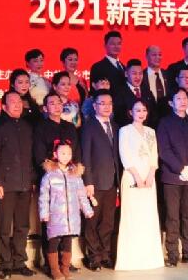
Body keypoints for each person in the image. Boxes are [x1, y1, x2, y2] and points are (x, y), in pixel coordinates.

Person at [0, 91, 36, 278]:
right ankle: (5, 263)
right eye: (12, 102)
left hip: (25, 184)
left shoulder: (27, 126)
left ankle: (19, 261)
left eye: (19, 101)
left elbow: (31, 157)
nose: (17, 104)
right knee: (4, 226)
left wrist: (32, 180)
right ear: (4, 106)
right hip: (5, 185)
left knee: (22, 226)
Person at [157, 88, 188, 267]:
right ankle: (172, 253)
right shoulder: (164, 123)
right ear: (171, 102)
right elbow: (164, 150)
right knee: (172, 216)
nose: (183, 101)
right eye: (178, 98)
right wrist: (180, 169)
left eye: (185, 98)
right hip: (172, 176)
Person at [33, 91, 81, 274]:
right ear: (45, 108)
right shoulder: (41, 127)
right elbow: (39, 154)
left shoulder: (69, 127)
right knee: (52, 224)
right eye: (52, 103)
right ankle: (50, 264)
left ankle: (65, 264)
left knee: (68, 222)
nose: (56, 106)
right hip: (52, 178)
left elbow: (76, 151)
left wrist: (73, 169)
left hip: (69, 177)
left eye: (59, 102)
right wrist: (53, 170)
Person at [115, 99, 164, 271]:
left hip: (149, 178)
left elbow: (154, 155)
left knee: (148, 216)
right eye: (137, 110)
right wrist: (137, 177)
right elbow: (125, 155)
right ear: (131, 112)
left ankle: (150, 259)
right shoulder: (125, 130)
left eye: (144, 110)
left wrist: (151, 175)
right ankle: (131, 260)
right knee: (132, 216)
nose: (141, 113)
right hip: (131, 176)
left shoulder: (151, 131)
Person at [39, 142, 94, 280]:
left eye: (69, 153)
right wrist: (44, 213)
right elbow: (44, 196)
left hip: (71, 216)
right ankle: (54, 270)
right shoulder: (49, 175)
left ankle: (65, 268)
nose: (66, 156)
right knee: (53, 241)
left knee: (67, 242)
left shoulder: (75, 174)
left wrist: (87, 209)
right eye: (63, 153)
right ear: (55, 154)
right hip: (55, 215)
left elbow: (81, 194)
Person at [81, 90, 121, 271]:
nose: (106, 106)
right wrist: (88, 181)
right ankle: (93, 257)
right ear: (95, 106)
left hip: (112, 181)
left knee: (108, 222)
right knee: (92, 221)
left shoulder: (116, 126)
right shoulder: (88, 126)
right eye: (102, 103)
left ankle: (105, 254)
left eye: (109, 103)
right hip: (95, 182)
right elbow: (85, 156)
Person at [113, 59, 156, 128]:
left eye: (140, 73)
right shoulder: (119, 93)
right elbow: (118, 117)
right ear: (126, 74)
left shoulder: (147, 92)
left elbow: (154, 115)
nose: (138, 77)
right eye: (134, 73)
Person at [89, 31, 126, 97]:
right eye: (112, 44)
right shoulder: (97, 67)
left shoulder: (125, 68)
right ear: (105, 46)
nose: (116, 46)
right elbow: (94, 93)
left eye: (119, 44)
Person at [142, 45, 169, 124]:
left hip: (167, 120)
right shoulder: (142, 76)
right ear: (147, 57)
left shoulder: (168, 75)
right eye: (154, 55)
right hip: (148, 120)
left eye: (160, 55)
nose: (158, 57)